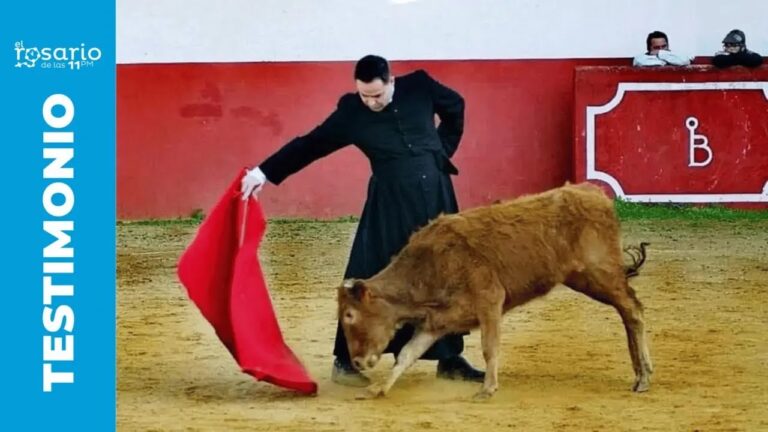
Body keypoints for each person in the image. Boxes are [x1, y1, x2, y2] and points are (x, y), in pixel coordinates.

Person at [240, 54, 485, 387]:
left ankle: (449, 358)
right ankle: (345, 360)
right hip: (390, 204)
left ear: (391, 82)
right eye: (364, 95)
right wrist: (264, 172)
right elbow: (311, 144)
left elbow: (456, 106)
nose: (371, 102)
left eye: (377, 95)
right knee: (368, 273)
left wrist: (440, 152)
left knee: (442, 276)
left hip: (437, 197)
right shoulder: (352, 112)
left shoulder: (421, 86)